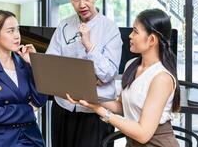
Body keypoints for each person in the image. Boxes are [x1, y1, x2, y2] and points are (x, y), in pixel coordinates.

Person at [67, 9, 181, 147]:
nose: (130, 36)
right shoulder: (131, 65)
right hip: (132, 142)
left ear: (151, 39)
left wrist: (100, 111)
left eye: (135, 31)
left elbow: (143, 134)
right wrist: (90, 97)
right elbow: (122, 107)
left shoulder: (161, 78)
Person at [46, 0, 123, 147]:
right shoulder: (64, 25)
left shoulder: (109, 28)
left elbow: (108, 74)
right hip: (63, 106)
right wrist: (88, 78)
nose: (82, 4)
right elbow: (52, 64)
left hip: (94, 110)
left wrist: (89, 45)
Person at [0, 10, 47, 147]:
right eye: (10, 31)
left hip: (29, 136)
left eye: (17, 30)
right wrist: (29, 109)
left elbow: (40, 100)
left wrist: (34, 64)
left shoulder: (24, 62)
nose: (17, 36)